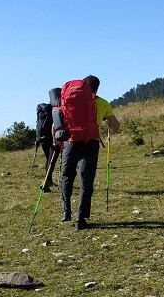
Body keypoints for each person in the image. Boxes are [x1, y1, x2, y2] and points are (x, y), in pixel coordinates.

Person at [60, 75, 116, 230]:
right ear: (97, 87)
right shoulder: (103, 103)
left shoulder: (69, 100)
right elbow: (116, 126)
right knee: (86, 179)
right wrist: (104, 120)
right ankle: (80, 219)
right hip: (90, 142)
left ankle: (66, 211)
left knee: (66, 175)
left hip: (71, 141)